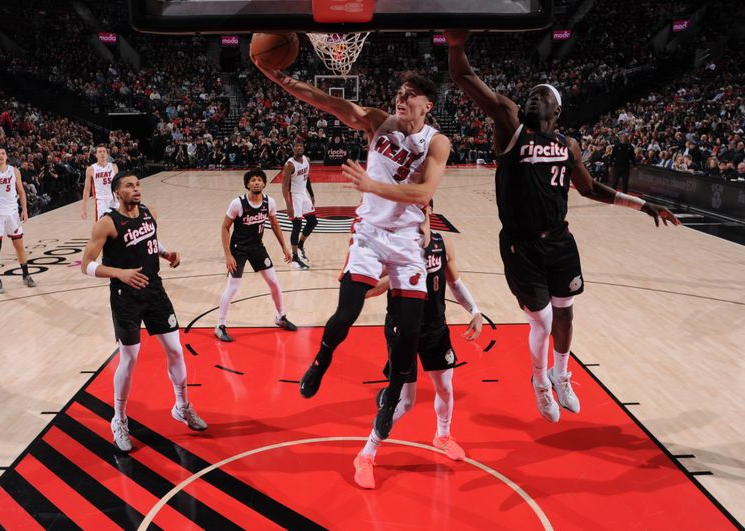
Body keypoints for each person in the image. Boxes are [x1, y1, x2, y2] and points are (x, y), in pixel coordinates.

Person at [446, 30, 679, 422]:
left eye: (546, 95)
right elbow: (465, 79)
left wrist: (643, 205)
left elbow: (589, 189)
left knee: (566, 315)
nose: (537, 96)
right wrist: (455, 46)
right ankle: (539, 381)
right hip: (521, 246)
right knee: (542, 319)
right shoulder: (511, 125)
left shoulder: (568, 146)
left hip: (559, 242)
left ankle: (560, 373)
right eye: (534, 92)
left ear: (557, 111)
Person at [254, 58, 450, 441]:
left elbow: (424, 193)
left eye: (411, 95)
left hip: (408, 240)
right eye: (399, 92)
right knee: (347, 312)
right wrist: (280, 77)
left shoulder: (436, 142)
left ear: (428, 106)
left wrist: (374, 186)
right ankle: (321, 361)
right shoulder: (380, 122)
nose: (401, 98)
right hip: (370, 232)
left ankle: (391, 399)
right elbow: (326, 101)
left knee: (409, 332)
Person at [354, 203, 483, 489]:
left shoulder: (441, 243)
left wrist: (475, 311)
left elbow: (455, 282)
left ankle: (443, 435)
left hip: (435, 328)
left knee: (446, 388)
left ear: (430, 211)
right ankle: (366, 454)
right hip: (403, 329)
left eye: (422, 208)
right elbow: (369, 288)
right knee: (406, 403)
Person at [80, 170, 207, 452]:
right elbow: (86, 264)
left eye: (138, 185)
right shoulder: (107, 223)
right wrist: (119, 273)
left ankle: (182, 406)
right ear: (117, 192)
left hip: (155, 291)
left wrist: (165, 253)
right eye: (129, 186)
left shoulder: (149, 213)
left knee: (175, 350)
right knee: (129, 359)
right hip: (126, 297)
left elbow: (149, 239)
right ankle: (120, 419)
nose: (136, 189)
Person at [215, 168, 298, 342]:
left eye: (259, 179)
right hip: (238, 249)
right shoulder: (237, 203)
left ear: (264, 183)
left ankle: (280, 317)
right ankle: (220, 325)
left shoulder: (270, 202)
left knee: (274, 282)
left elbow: (275, 225)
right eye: (253, 180)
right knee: (233, 287)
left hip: (257, 248)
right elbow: (225, 228)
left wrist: (284, 247)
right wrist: (228, 255)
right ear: (247, 184)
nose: (256, 182)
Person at [0, 147, 37, 294]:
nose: (1, 156)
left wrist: (25, 210)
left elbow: (21, 192)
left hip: (12, 213)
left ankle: (26, 275)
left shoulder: (14, 171)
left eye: (3, 153)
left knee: (19, 245)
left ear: (6, 156)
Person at [281, 141, 317, 270]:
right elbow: (284, 185)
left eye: (300, 145)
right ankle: (295, 258)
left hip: (303, 194)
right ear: (293, 149)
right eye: (296, 146)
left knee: (312, 221)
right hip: (293, 195)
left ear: (303, 147)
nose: (298, 147)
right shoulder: (290, 165)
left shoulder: (307, 160)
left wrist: (311, 195)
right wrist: (288, 205)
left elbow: (306, 179)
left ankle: (300, 245)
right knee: (297, 225)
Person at [82, 145, 119, 220]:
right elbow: (86, 190)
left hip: (114, 199)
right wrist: (84, 208)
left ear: (107, 154)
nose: (102, 153)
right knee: (103, 227)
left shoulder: (114, 166)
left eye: (104, 151)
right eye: (99, 152)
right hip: (101, 201)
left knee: (120, 224)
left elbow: (119, 185)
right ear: (96, 155)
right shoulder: (91, 169)